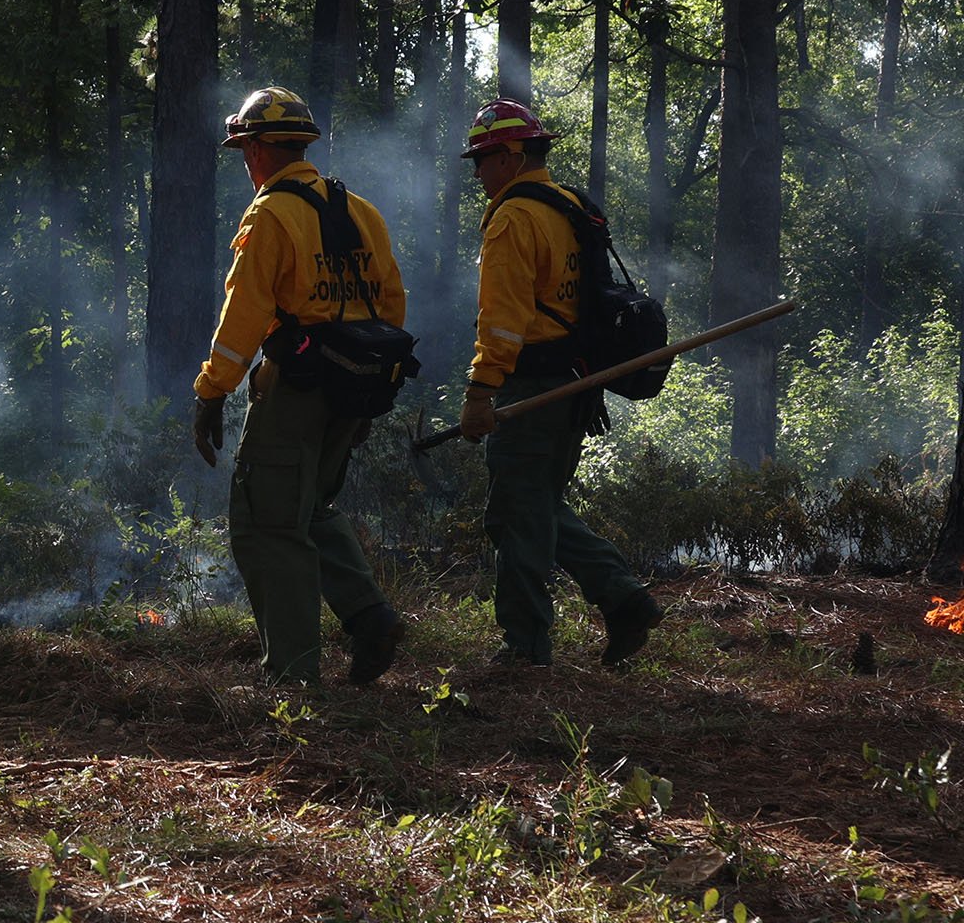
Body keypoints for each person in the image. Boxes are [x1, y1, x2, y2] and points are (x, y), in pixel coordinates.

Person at [189, 87, 411, 685]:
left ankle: (292, 677)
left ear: (260, 150)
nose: (245, 161)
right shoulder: (361, 211)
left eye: (246, 149)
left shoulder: (270, 214)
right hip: (355, 387)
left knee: (268, 523)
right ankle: (370, 620)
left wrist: (212, 392)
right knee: (310, 507)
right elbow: (391, 303)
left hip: (296, 390)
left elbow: (244, 317)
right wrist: (367, 390)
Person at [456, 97, 663, 670]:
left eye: (484, 158)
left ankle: (525, 648)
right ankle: (623, 599)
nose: (477, 172)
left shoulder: (513, 217)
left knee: (518, 513)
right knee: (535, 505)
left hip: (533, 385)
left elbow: (502, 320)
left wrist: (480, 392)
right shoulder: (570, 205)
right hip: (576, 384)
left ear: (512, 156)